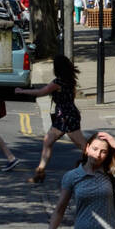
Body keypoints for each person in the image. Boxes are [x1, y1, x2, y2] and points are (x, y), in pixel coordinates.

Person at [22, 55, 87, 184]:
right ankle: (40, 172)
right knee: (48, 141)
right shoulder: (69, 80)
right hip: (64, 116)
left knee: (84, 146)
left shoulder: (58, 82)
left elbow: (41, 92)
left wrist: (22, 91)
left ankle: (104, 167)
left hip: (67, 117)